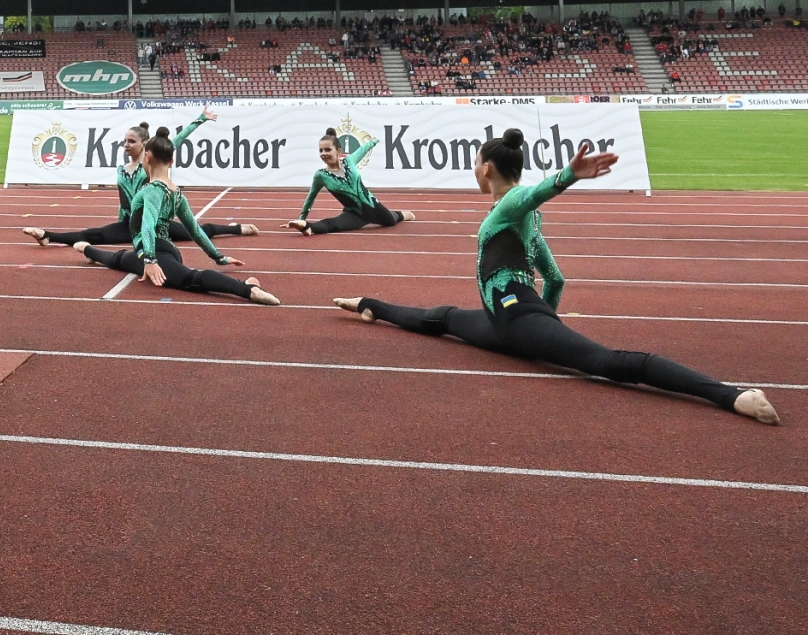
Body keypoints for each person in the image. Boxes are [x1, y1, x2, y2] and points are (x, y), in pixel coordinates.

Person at [334, 128, 778, 423]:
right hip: (506, 324)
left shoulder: (511, 203)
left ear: (487, 168)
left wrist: (568, 176)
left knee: (609, 363)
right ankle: (372, 305)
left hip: (519, 320)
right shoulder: (524, 224)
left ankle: (731, 395)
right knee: (443, 318)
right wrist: (546, 321)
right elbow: (556, 279)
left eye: (474, 163)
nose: (473, 169)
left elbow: (531, 195)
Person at [73, 124, 279, 304]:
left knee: (190, 279)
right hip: (160, 250)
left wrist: (151, 260)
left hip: (155, 252)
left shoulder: (151, 190)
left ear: (147, 157)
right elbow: (195, 230)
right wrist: (218, 257)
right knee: (120, 260)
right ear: (171, 161)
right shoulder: (176, 192)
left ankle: (247, 289)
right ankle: (87, 249)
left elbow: (147, 225)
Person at [23, 111, 259, 249]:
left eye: (131, 141)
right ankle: (47, 235)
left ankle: (236, 228)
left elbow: (178, 140)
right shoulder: (121, 169)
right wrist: (121, 222)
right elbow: (123, 201)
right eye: (125, 141)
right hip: (130, 224)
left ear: (144, 145)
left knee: (196, 230)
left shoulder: (150, 164)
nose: (126, 145)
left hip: (155, 225)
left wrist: (201, 119)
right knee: (95, 235)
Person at [288, 127, 417, 235]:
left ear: (338, 151)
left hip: (373, 207)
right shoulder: (321, 175)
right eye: (320, 150)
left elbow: (363, 149)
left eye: (327, 150)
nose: (323, 153)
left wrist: (373, 141)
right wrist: (302, 219)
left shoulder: (349, 161)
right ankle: (307, 227)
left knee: (391, 221)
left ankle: (400, 214)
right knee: (334, 224)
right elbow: (310, 198)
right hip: (354, 214)